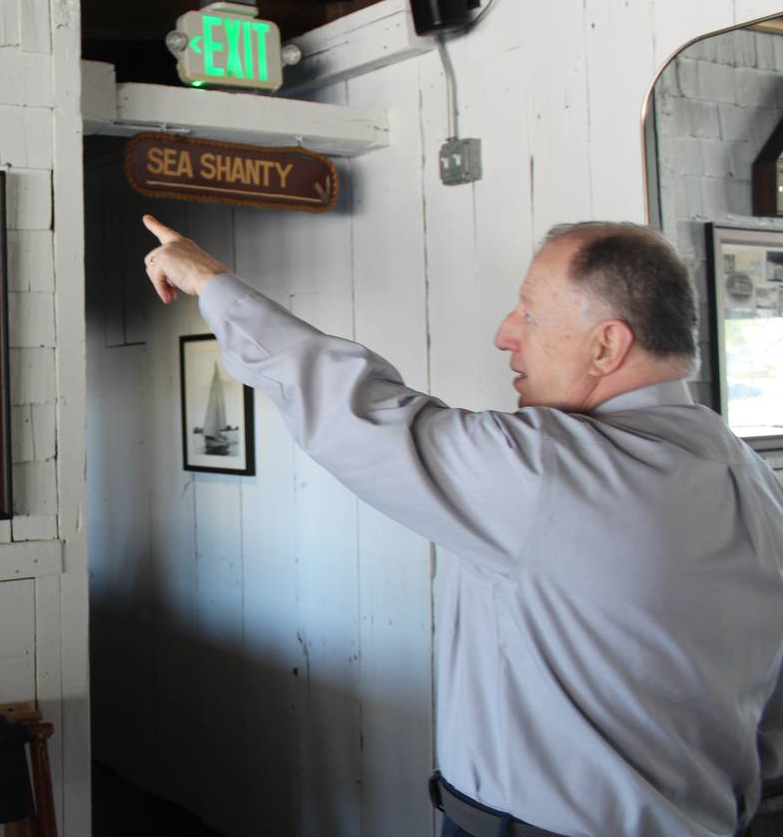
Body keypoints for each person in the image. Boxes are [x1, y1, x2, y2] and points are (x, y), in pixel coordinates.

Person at [141, 214, 783, 837]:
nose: (507, 333)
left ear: (607, 344)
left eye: (529, 312)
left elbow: (354, 410)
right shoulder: (760, 487)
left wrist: (209, 282)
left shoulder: (552, 471)